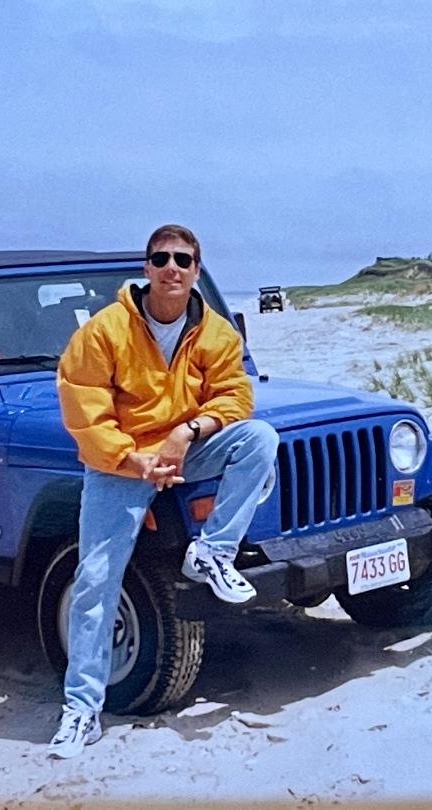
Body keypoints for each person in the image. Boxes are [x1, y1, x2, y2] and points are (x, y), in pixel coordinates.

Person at [48, 224, 279, 759]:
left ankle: (213, 552)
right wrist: (132, 458)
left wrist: (186, 433)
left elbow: (235, 395)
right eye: (161, 258)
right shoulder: (105, 331)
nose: (171, 268)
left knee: (259, 439)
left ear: (196, 270)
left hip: (183, 446)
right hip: (121, 461)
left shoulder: (214, 332)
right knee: (96, 580)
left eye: (183, 259)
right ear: (146, 268)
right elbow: (83, 405)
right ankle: (82, 709)